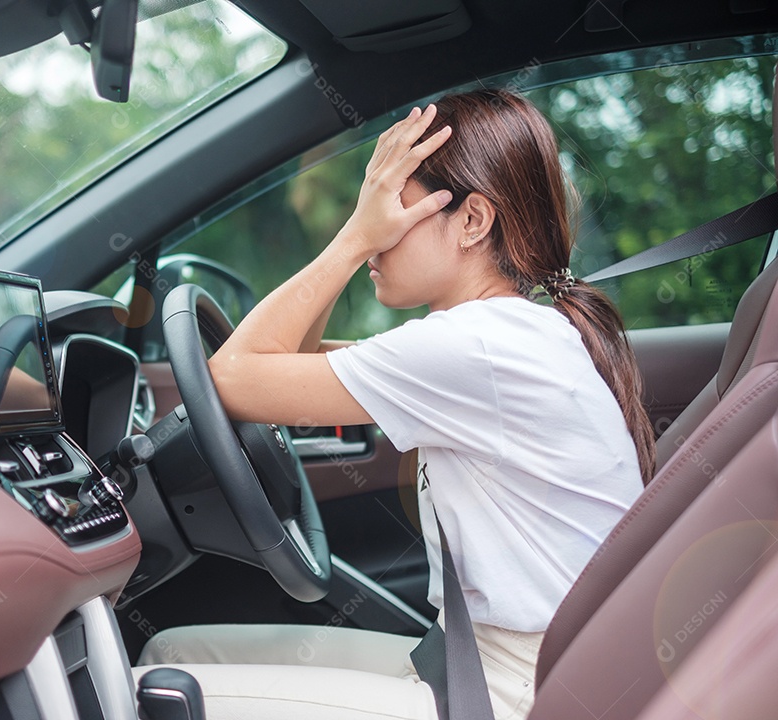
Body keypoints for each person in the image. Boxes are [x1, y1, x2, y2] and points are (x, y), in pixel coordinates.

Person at [133, 89, 653, 720]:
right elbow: (284, 356)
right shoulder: (496, 336)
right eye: (370, 210)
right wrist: (365, 223)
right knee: (170, 651)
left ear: (471, 221)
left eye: (392, 208)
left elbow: (233, 378)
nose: (378, 229)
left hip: (519, 691)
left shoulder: (475, 346)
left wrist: (353, 239)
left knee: (152, 690)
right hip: (480, 660)